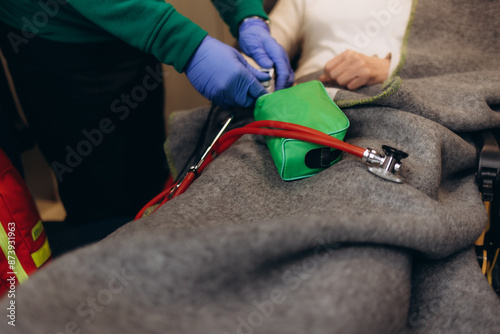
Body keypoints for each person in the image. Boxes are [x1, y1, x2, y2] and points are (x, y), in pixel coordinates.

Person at [0, 0, 293, 254]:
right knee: (100, 205)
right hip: (57, 38)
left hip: (135, 27)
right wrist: (185, 44)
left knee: (148, 177)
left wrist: (247, 15)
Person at [267, 0, 412, 91]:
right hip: (310, 100)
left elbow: (434, 58)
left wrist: (391, 67)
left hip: (398, 96)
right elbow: (263, 48)